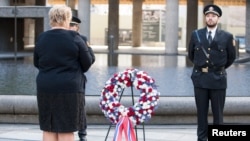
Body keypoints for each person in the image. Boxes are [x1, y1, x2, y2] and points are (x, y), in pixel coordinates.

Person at [33, 5, 94, 141]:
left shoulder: (42, 38)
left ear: (51, 19)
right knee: (66, 128)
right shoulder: (75, 37)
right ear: (67, 18)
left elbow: (37, 63)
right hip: (69, 89)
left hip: (45, 87)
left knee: (48, 127)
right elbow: (87, 63)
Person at [188, 4, 236, 141]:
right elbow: (191, 55)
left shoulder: (227, 37)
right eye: (208, 16)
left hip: (218, 80)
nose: (210, 18)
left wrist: (218, 68)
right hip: (200, 79)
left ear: (218, 19)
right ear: (205, 18)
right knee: (201, 114)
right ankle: (201, 138)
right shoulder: (196, 34)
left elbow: (231, 57)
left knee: (218, 115)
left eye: (213, 16)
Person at [69, 16, 95, 141]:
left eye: (72, 25)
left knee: (80, 106)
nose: (70, 27)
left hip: (77, 77)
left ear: (77, 27)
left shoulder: (82, 39)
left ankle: (82, 133)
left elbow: (91, 58)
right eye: (69, 25)